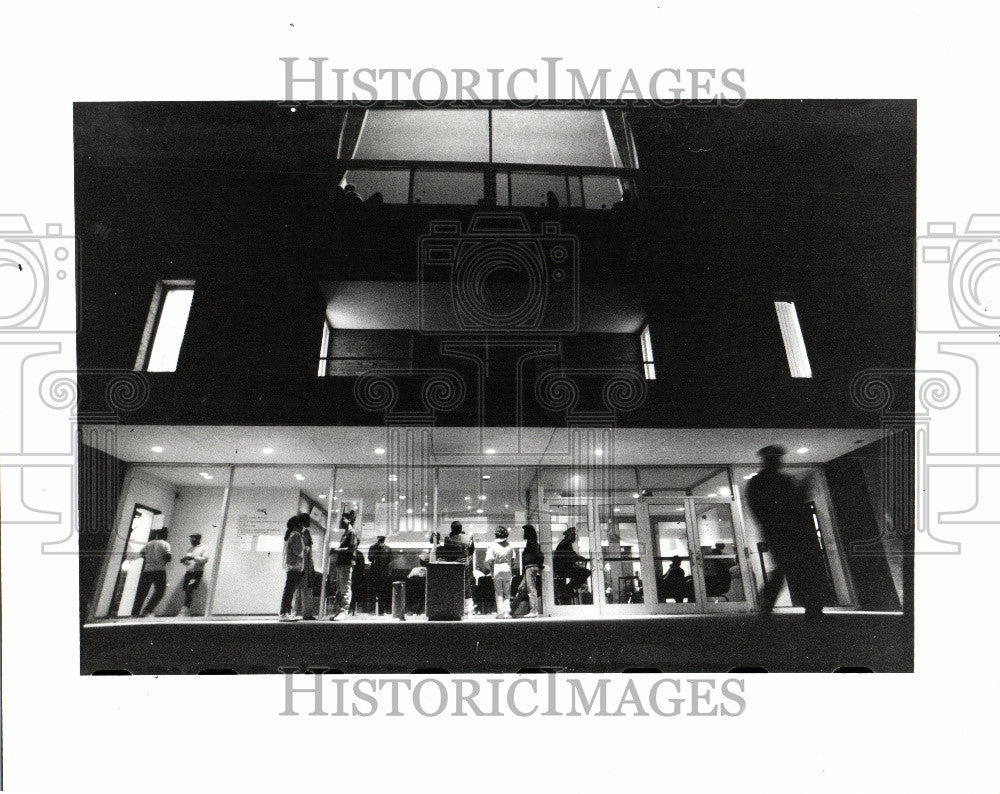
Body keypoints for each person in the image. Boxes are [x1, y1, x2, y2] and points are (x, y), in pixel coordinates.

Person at [746, 444, 830, 618]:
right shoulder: (778, 482)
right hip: (785, 531)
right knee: (796, 569)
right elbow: (795, 503)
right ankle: (811, 609)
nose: (778, 462)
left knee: (786, 569)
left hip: (778, 532)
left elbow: (759, 509)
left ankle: (767, 605)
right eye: (776, 458)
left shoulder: (758, 483)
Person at [132, 528, 172, 617]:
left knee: (142, 592)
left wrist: (148, 558)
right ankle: (147, 610)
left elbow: (141, 553)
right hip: (159, 570)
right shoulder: (165, 544)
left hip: (147, 570)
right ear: (165, 535)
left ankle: (135, 613)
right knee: (160, 591)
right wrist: (163, 560)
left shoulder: (149, 543)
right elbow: (167, 556)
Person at [439, 520, 475, 615]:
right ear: (461, 528)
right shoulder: (468, 538)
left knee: (453, 586)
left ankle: (454, 607)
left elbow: (446, 554)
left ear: (452, 528)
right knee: (466, 586)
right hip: (465, 564)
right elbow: (471, 551)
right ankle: (468, 608)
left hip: (452, 565)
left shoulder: (448, 538)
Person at [329, 510, 359, 621]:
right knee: (341, 587)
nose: (341, 521)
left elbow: (351, 549)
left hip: (346, 562)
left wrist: (337, 550)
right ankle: (340, 610)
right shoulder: (347, 533)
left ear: (349, 520)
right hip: (342, 562)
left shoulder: (352, 532)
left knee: (345, 587)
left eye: (343, 519)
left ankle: (343, 610)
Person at [553, 526, 590, 604]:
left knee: (582, 572)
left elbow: (572, 556)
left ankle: (569, 588)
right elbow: (573, 555)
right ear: (569, 536)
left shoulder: (565, 544)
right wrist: (583, 559)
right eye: (573, 536)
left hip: (563, 568)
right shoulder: (565, 544)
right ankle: (568, 588)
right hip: (562, 569)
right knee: (586, 572)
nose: (575, 538)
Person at [484, 526, 514, 619]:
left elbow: (489, 560)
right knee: (507, 593)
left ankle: (500, 613)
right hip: (507, 570)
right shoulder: (509, 545)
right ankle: (506, 612)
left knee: (499, 593)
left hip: (497, 570)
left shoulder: (492, 546)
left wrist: (488, 569)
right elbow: (513, 560)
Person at [280, 516, 306, 621]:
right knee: (290, 590)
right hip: (295, 566)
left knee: (289, 590)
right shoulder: (296, 535)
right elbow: (299, 551)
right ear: (298, 524)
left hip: (291, 566)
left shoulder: (291, 535)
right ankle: (284, 612)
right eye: (302, 524)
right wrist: (306, 549)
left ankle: (286, 612)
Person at [178, 533, 209, 616]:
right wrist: (184, 561)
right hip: (189, 572)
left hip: (197, 572)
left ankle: (184, 611)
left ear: (198, 539)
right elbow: (188, 562)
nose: (191, 541)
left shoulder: (204, 547)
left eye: (193, 540)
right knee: (187, 591)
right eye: (190, 540)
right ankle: (185, 610)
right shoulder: (190, 549)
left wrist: (193, 558)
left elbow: (205, 560)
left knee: (189, 589)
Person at [297, 514, 319, 620]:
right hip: (302, 565)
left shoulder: (305, 533)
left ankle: (306, 613)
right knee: (301, 588)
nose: (309, 522)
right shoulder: (299, 533)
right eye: (307, 520)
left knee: (307, 587)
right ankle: (297, 612)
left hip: (307, 565)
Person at [521, 524, 543, 617]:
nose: (524, 534)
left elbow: (528, 556)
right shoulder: (535, 543)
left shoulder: (530, 544)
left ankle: (534, 610)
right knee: (532, 588)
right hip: (535, 566)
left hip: (530, 566)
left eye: (525, 532)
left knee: (531, 589)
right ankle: (534, 609)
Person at [367, 535, 393, 614]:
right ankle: (374, 610)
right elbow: (370, 558)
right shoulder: (385, 548)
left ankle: (380, 610)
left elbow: (389, 560)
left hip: (381, 572)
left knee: (381, 592)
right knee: (375, 591)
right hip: (377, 572)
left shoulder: (386, 549)